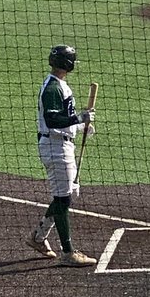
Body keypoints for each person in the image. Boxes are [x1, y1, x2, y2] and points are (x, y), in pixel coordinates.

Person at [27, 44, 97, 266]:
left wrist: (81, 126)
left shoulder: (60, 86)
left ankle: (38, 237)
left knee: (67, 195)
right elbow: (53, 121)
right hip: (55, 147)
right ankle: (68, 252)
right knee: (63, 197)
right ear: (68, 64)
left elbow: (63, 119)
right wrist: (79, 118)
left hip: (63, 145)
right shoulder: (52, 89)